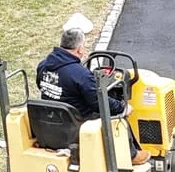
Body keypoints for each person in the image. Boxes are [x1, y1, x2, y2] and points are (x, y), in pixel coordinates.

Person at [36, 19, 145, 163]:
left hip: (51, 120)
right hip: (76, 123)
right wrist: (123, 107)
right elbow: (99, 103)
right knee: (117, 116)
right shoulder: (80, 74)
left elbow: (40, 86)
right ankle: (131, 155)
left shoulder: (43, 66)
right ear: (80, 49)